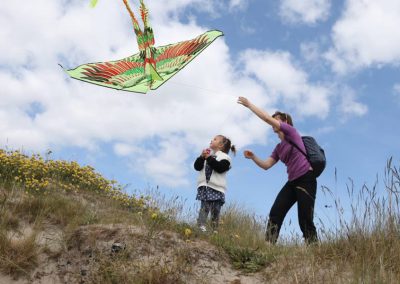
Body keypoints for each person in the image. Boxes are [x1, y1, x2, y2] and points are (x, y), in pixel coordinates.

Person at [237, 96, 318, 244]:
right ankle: (268, 245)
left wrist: (250, 105)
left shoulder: (291, 132)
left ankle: (314, 248)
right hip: (292, 182)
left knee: (305, 218)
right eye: (274, 119)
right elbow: (267, 165)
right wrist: (254, 157)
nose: (273, 121)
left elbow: (267, 118)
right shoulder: (279, 148)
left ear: (285, 122)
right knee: (276, 212)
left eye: (277, 119)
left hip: (306, 177)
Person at [194, 135, 236, 232]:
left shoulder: (225, 157)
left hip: (217, 188)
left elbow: (220, 168)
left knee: (215, 210)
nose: (212, 140)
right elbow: (197, 167)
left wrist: (208, 158)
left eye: (215, 139)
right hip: (205, 186)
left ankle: (214, 230)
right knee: (204, 207)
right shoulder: (207, 155)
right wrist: (201, 157)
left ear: (221, 145)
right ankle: (201, 226)